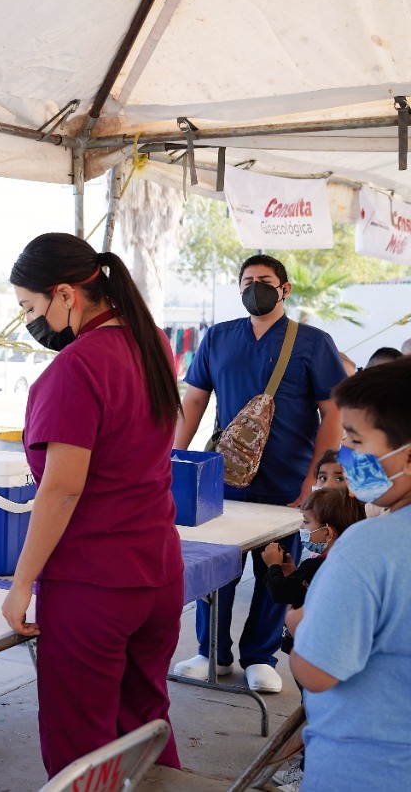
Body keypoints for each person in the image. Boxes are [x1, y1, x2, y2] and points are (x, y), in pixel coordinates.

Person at [0, 234, 184, 777]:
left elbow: (61, 489)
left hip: (95, 583)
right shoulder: (152, 341)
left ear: (65, 294)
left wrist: (20, 583)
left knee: (80, 743)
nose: (33, 322)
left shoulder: (78, 365)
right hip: (158, 571)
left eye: (31, 308)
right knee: (146, 726)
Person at [172, 254, 347, 694]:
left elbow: (332, 414)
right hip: (223, 480)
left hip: (286, 481)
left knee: (277, 568)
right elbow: (193, 401)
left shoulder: (312, 342)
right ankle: (210, 652)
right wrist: (172, 458)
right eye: (247, 281)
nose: (255, 288)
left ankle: (260, 657)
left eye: (265, 281)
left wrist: (314, 478)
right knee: (216, 566)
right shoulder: (218, 338)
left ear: (285, 289)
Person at [289, 357, 411, 790]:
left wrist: (301, 626)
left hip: (364, 770)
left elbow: (318, 672)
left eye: (357, 442)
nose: (346, 456)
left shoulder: (367, 547)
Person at [262, 486, 365, 653]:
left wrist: (273, 565)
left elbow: (281, 592)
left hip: (308, 650)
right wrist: (294, 574)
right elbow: (302, 588)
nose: (301, 526)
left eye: (306, 521)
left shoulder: (316, 567)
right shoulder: (347, 563)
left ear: (327, 533)